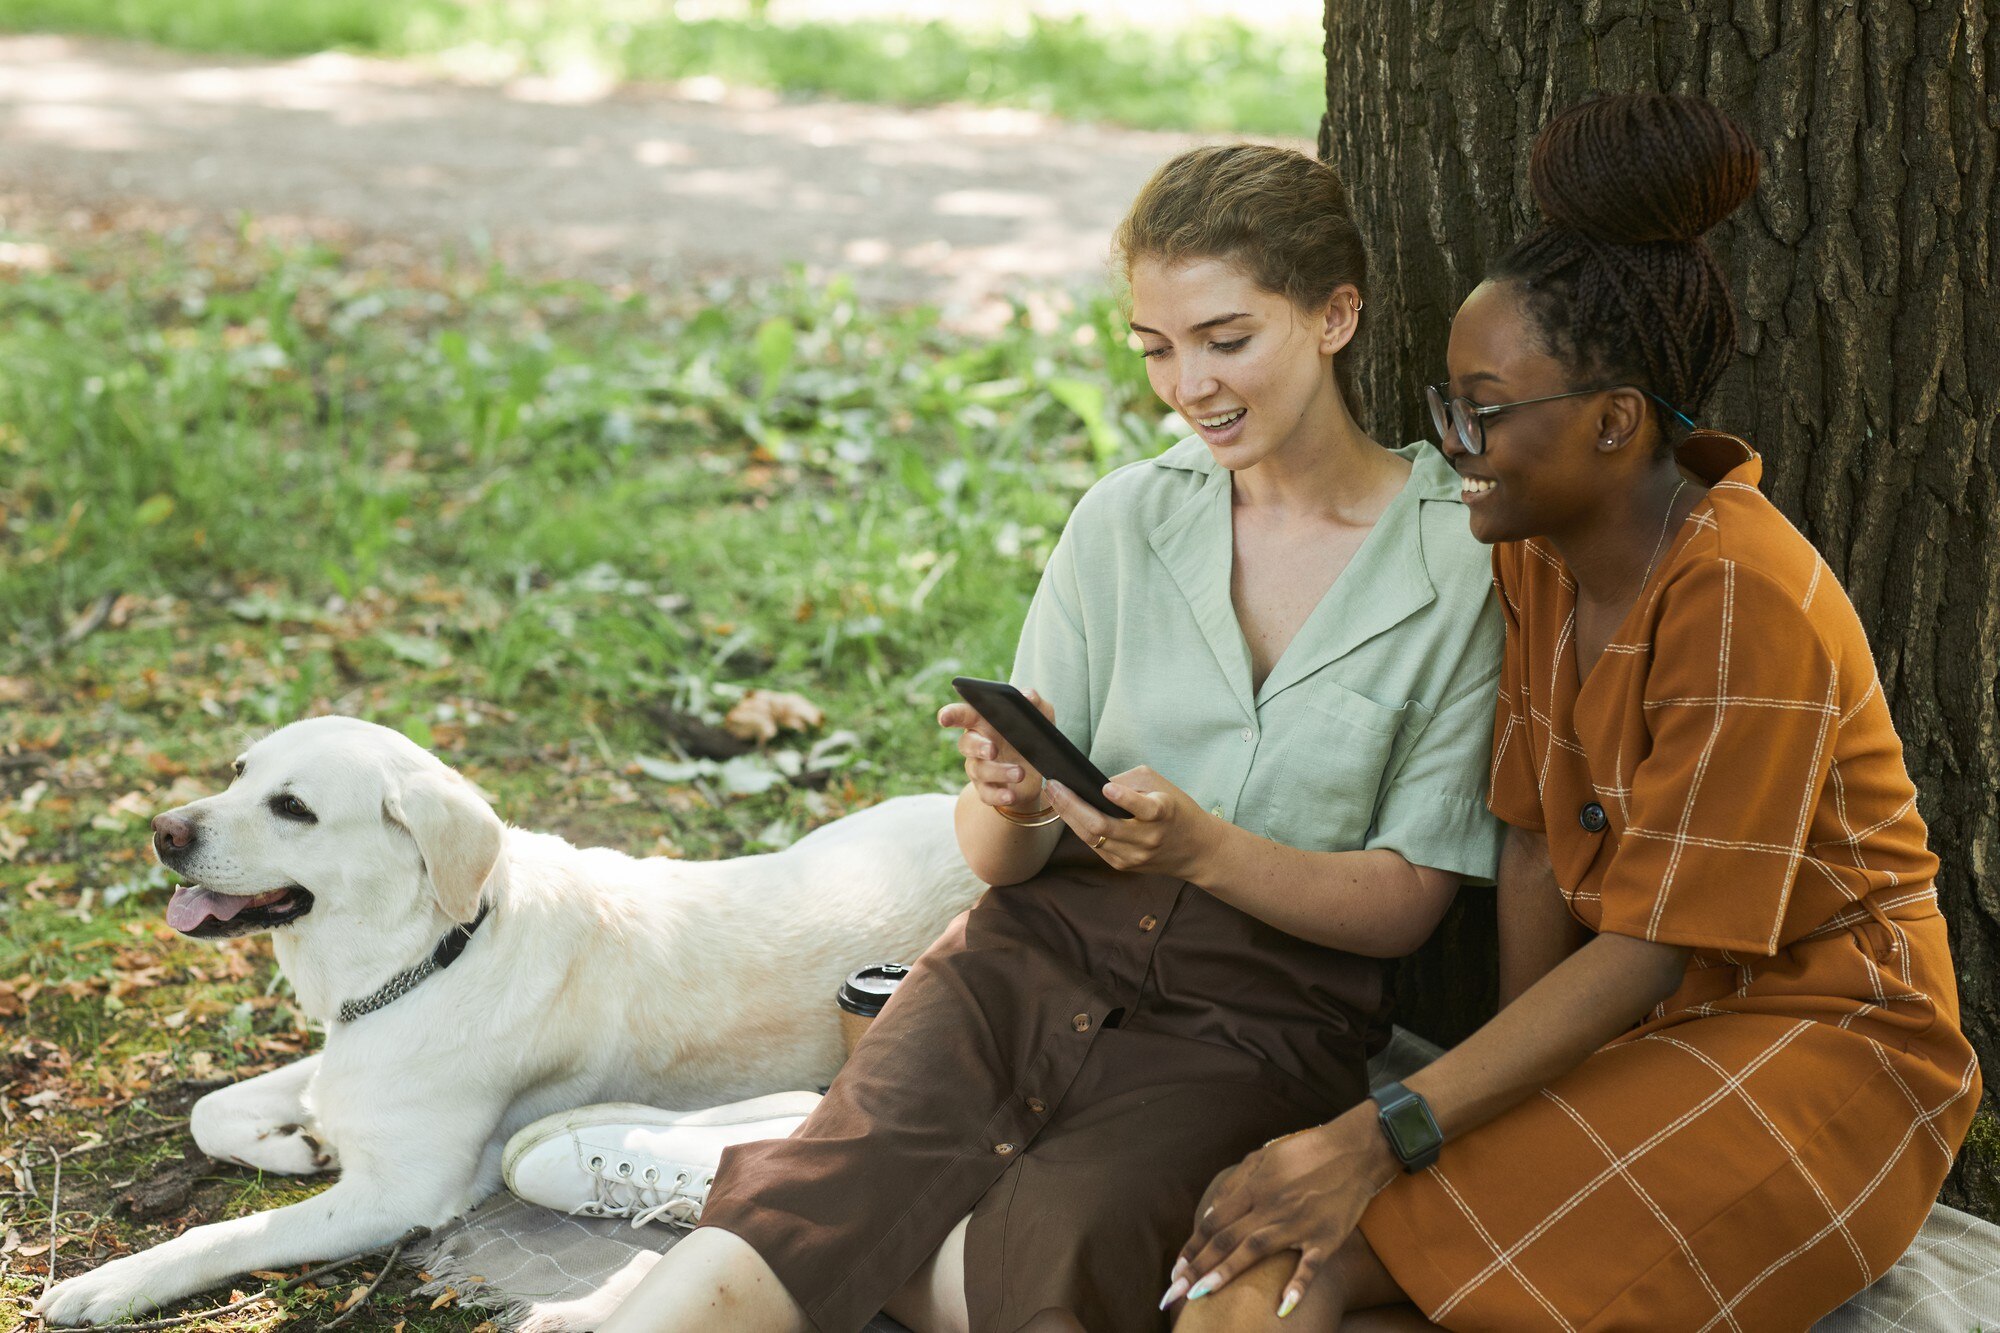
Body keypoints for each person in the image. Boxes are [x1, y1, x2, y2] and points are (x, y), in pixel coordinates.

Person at [502, 143, 1508, 1333]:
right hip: (1026, 961)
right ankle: (800, 1181)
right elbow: (998, 862)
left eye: (1226, 339)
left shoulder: (1457, 561)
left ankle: (789, 1173)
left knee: (1074, 1249)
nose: (1188, 384)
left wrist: (1203, 853)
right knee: (792, 1229)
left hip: (1252, 1025)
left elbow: (1402, 903)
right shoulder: (1124, 520)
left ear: (1333, 314)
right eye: (1154, 349)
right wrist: (1012, 798)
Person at [1166, 93, 1982, 1333]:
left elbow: (1656, 940)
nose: (1451, 447)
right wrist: (1487, 1094)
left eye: (1480, 411)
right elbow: (1536, 836)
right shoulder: (1537, 557)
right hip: (1638, 1026)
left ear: (1612, 422)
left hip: (1831, 1044)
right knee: (1268, 1269)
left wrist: (1383, 1131)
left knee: (1327, 1244)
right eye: (1448, 407)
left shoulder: (1739, 598)